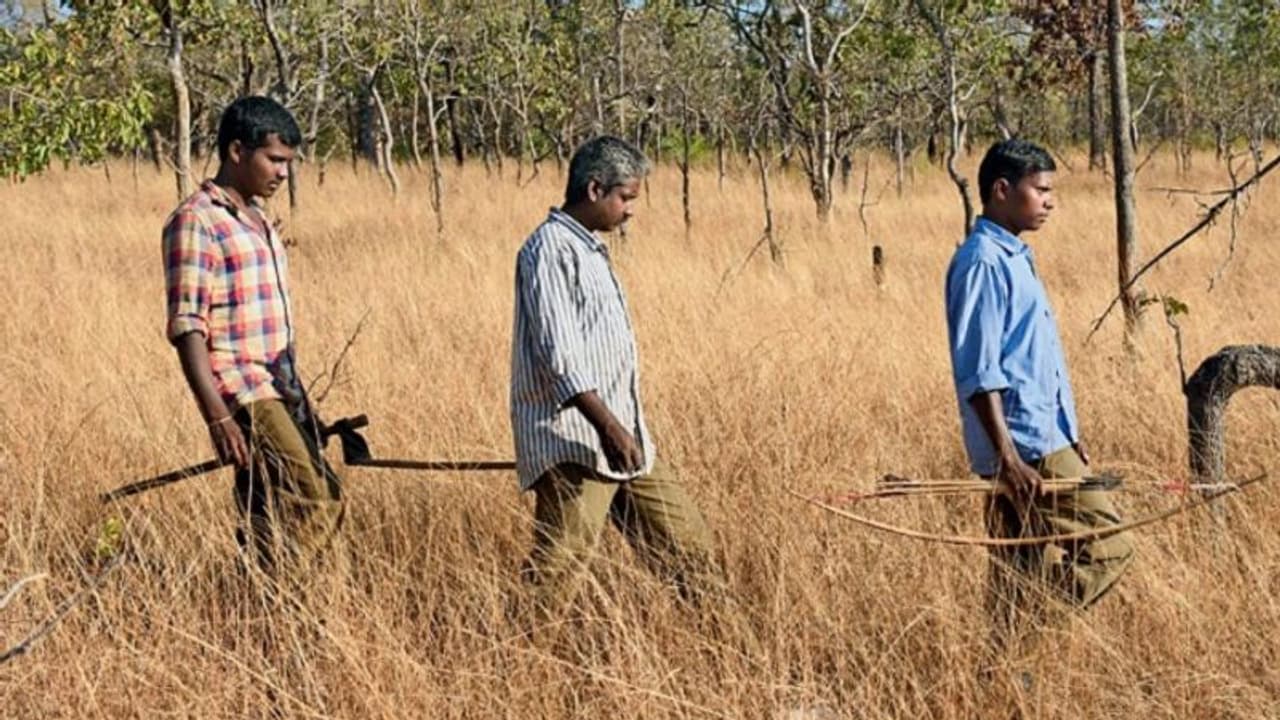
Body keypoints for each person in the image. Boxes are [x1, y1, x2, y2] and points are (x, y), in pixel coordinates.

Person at [510, 135, 720, 614]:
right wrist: (607, 427)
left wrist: (623, 431)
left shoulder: (590, 249)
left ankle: (734, 648)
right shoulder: (550, 250)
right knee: (554, 577)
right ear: (594, 189)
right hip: (577, 444)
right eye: (625, 197)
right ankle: (515, 655)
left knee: (690, 549)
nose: (630, 211)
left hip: (624, 441)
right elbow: (561, 357)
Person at [943, 139, 1134, 643]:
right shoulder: (983, 262)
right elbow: (979, 373)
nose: (1050, 202)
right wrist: (1009, 459)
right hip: (1026, 449)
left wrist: (1068, 432)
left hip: (1042, 439)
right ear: (1002, 190)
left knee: (1017, 570)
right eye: (1040, 190)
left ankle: (1005, 670)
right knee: (1109, 547)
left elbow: (1030, 361)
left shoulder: (1013, 255)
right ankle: (1024, 633)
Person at [162, 96, 343, 576]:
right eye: (275, 159)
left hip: (278, 383)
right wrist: (218, 416)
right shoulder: (197, 220)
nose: (283, 172)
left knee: (265, 508)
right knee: (318, 498)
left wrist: (301, 404)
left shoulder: (258, 219)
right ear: (237, 151)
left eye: (289, 162)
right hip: (241, 388)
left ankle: (259, 605)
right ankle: (293, 605)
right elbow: (187, 326)